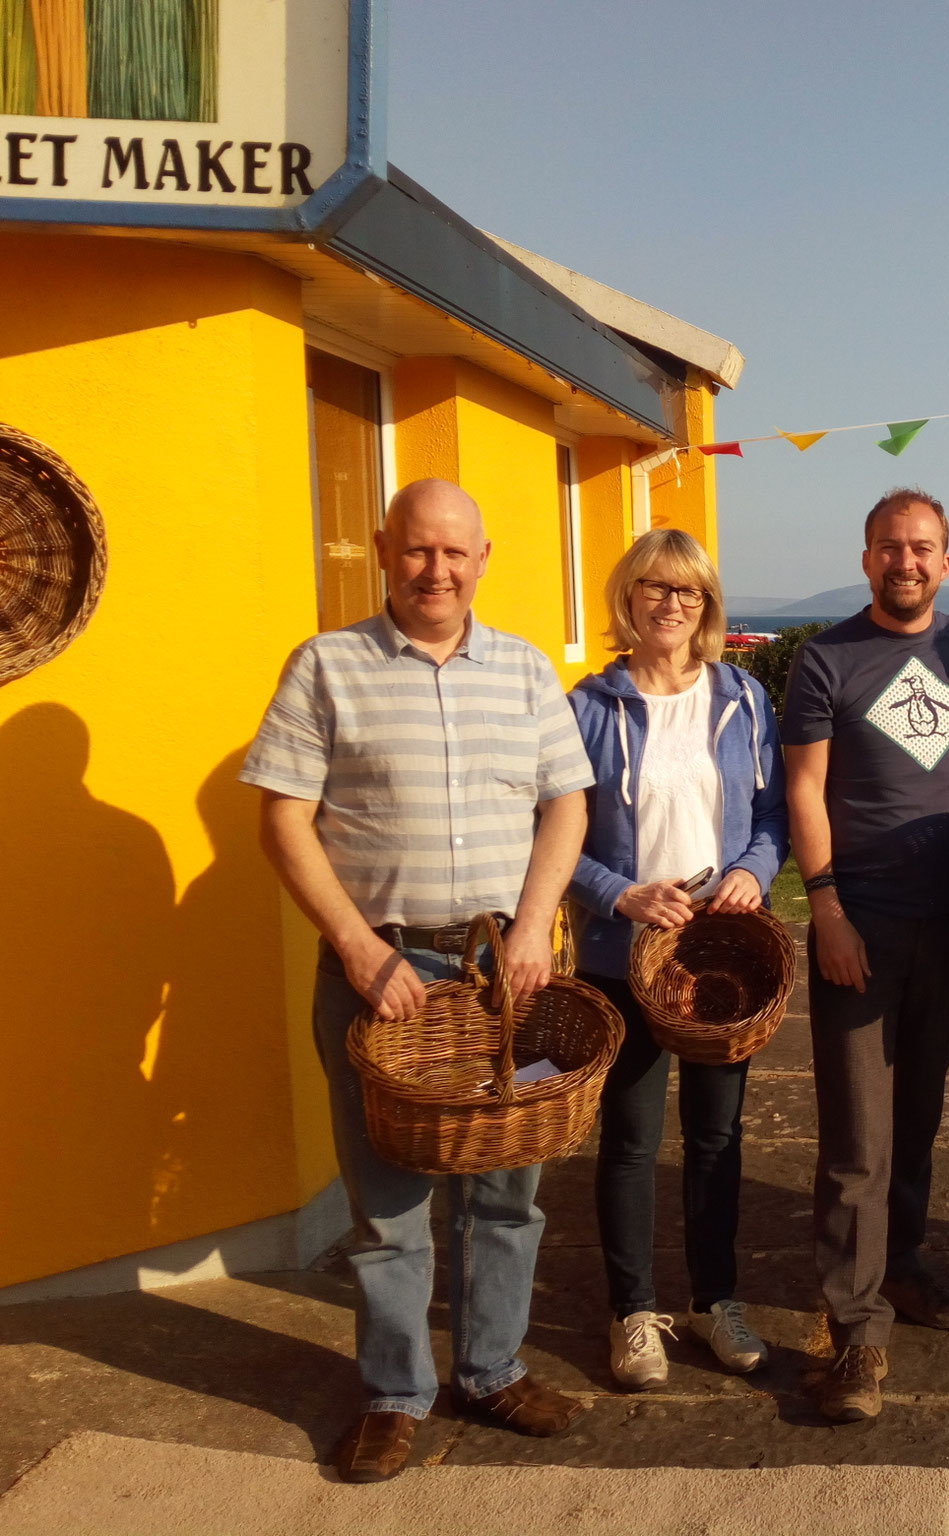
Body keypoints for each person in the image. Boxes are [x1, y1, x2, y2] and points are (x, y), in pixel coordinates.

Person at [242, 479, 595, 1483]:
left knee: (505, 1194)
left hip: (501, 979)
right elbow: (280, 820)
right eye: (415, 551)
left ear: (484, 558)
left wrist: (534, 928)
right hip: (380, 979)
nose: (435, 570)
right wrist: (361, 952)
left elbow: (565, 807)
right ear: (381, 551)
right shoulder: (326, 668)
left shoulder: (526, 672)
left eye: (454, 553)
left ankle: (489, 1369)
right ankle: (395, 1393)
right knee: (386, 1205)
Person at [781, 487, 949, 1422]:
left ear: (947, 562)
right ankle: (855, 1329)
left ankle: (906, 1265)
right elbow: (805, 791)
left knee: (918, 1111)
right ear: (867, 558)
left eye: (923, 548)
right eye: (890, 547)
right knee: (857, 1133)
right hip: (862, 922)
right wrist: (828, 906)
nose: (906, 562)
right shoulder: (827, 659)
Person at [565, 529, 789, 1391]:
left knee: (717, 1136)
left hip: (720, 962)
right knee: (629, 1140)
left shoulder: (742, 699)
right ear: (628, 598)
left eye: (687, 592)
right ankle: (633, 1313)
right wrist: (619, 894)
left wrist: (749, 872)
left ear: (706, 607)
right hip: (624, 958)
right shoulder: (589, 706)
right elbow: (557, 839)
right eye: (654, 588)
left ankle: (716, 1300)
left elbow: (772, 818)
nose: (670, 603)